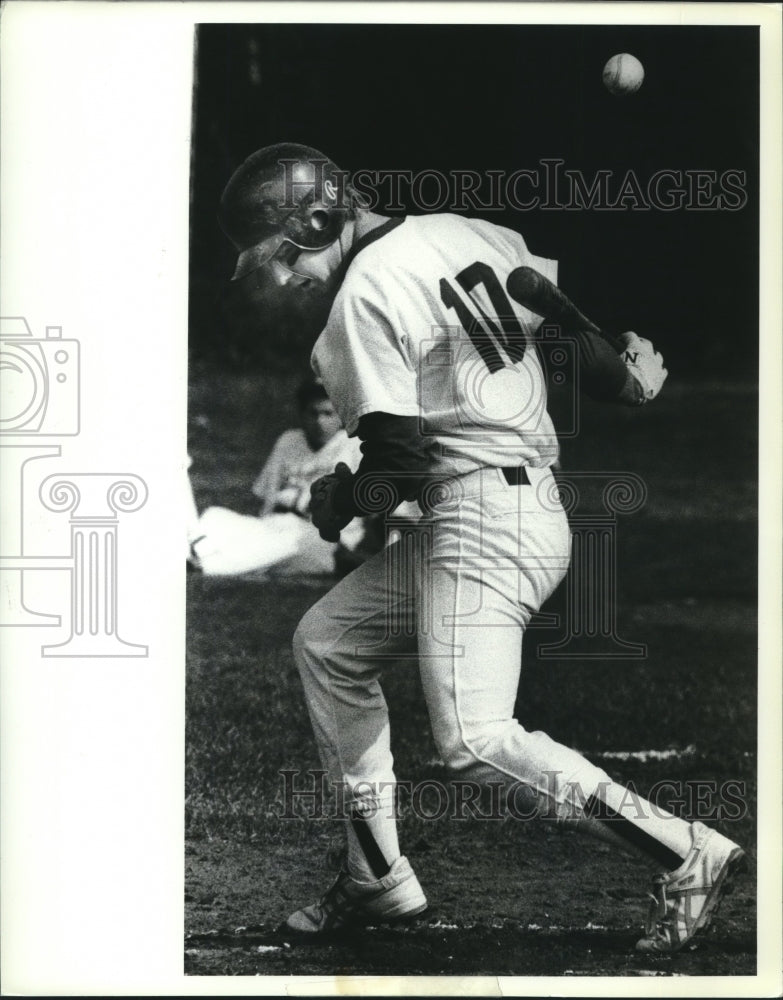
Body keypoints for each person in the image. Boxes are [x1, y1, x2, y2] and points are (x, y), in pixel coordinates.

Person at [218, 143, 745, 953]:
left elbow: (392, 465)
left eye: (280, 255)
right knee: (328, 643)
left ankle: (683, 851)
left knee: (473, 741)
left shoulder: (362, 294)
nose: (282, 277)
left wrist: (333, 504)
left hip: (482, 524)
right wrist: (628, 377)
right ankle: (376, 877)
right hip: (500, 507)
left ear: (316, 221)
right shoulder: (465, 231)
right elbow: (568, 340)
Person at [188, 377, 365, 577]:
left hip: (327, 539)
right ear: (301, 414)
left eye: (328, 413)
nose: (319, 421)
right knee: (215, 516)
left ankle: (206, 565)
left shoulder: (354, 446)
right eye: (312, 413)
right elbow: (269, 498)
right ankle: (199, 553)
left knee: (289, 540)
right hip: (280, 525)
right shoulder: (289, 441)